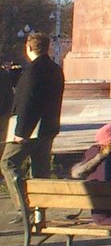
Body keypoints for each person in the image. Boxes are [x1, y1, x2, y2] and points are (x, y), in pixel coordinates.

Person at [4, 33, 64, 224]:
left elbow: (28, 104)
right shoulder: (55, 69)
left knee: (8, 162)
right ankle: (40, 215)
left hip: (31, 129)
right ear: (47, 47)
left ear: (28, 48)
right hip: (48, 128)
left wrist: (20, 133)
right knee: (40, 169)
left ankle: (24, 206)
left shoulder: (32, 72)